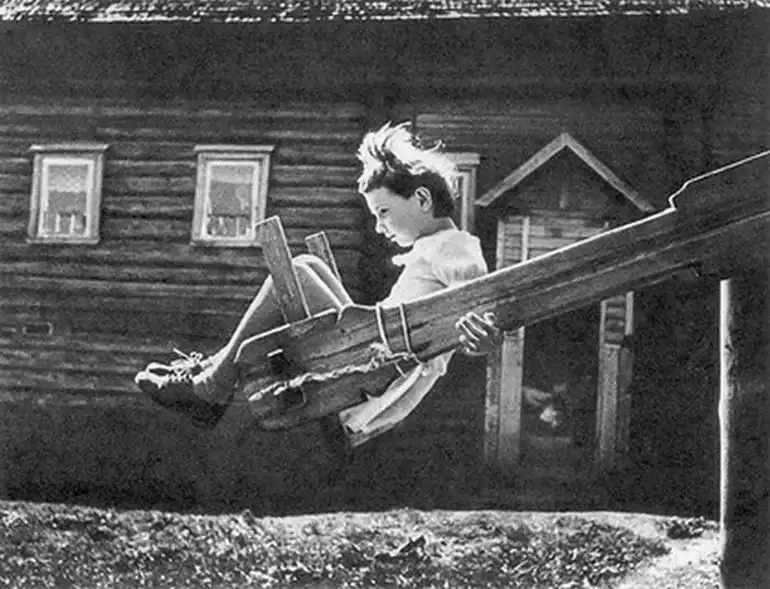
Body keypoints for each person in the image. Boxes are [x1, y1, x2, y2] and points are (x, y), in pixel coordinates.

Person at [135, 121, 501, 450]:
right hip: (374, 346)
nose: (379, 227)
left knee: (295, 271)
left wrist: (486, 336)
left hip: (378, 365)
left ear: (421, 199)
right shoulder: (439, 245)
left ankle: (211, 386)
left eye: (384, 212)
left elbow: (481, 305)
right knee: (308, 264)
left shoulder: (456, 248)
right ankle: (212, 370)